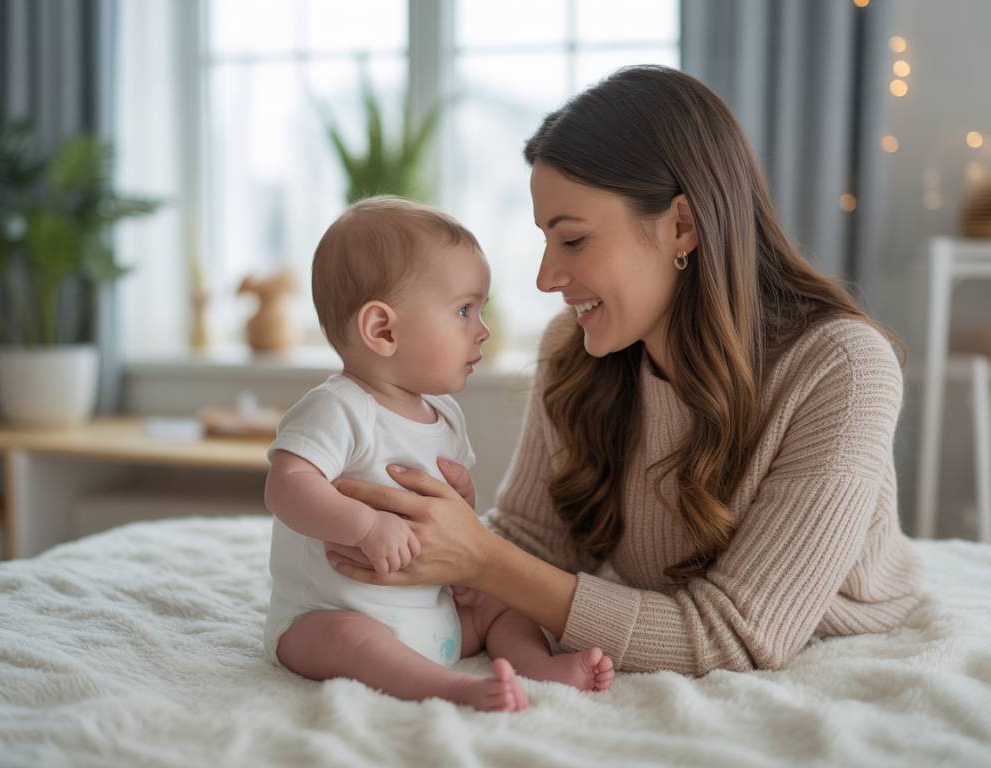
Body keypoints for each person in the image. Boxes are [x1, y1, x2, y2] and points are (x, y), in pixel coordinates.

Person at [325, 66, 924, 677]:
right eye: (545, 240)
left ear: (682, 226)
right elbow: (535, 545)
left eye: (573, 241)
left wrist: (482, 560)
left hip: (834, 639)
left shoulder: (843, 371)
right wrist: (434, 537)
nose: (546, 278)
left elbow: (737, 636)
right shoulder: (575, 351)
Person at [263, 196, 614, 713]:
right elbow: (287, 486)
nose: (482, 329)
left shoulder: (445, 416)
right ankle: (454, 689)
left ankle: (539, 667)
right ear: (382, 330)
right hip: (333, 614)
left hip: (434, 614)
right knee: (349, 640)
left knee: (503, 606)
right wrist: (365, 526)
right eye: (464, 310)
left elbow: (446, 521)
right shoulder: (339, 408)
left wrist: (462, 515)